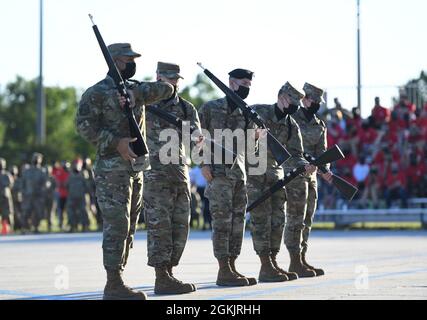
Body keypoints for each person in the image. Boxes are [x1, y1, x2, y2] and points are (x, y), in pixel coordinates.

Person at [76, 43, 174, 300]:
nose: (133, 63)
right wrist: (115, 142)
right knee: (117, 224)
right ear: (117, 60)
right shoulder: (96, 92)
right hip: (111, 170)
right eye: (129, 59)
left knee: (129, 226)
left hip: (135, 168)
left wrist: (135, 96)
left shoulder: (134, 89)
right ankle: (113, 282)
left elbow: (166, 89)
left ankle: (119, 276)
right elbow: (84, 126)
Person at [247, 82, 315, 282]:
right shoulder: (257, 112)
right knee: (261, 220)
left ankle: (273, 261)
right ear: (281, 97)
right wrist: (253, 136)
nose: (294, 105)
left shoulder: (290, 124)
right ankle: (265, 264)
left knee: (277, 221)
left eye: (296, 102)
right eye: (291, 100)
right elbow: (239, 137)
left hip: (276, 177)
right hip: (255, 175)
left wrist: (306, 165)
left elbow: (296, 154)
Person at [199, 68, 260, 287]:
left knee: (237, 224)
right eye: (244, 82)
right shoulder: (210, 108)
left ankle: (232, 266)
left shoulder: (248, 112)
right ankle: (223, 269)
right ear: (231, 83)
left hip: (239, 175)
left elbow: (250, 149)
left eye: (250, 84)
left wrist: (256, 138)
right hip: (218, 174)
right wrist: (202, 163)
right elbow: (197, 136)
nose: (247, 87)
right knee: (222, 222)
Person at [144, 62, 200, 295]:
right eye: (167, 78)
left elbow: (196, 140)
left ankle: (169, 270)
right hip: (154, 174)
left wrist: (197, 138)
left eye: (175, 79)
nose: (172, 82)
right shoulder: (143, 104)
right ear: (157, 78)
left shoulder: (186, 109)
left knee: (181, 226)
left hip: (179, 172)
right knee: (160, 225)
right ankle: (161, 276)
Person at [288, 83, 333, 277]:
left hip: (312, 178)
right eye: (313, 100)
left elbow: (322, 152)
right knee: (295, 219)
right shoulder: (291, 118)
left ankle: (302, 258)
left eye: (318, 102)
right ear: (305, 99)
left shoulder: (319, 124)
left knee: (307, 219)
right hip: (294, 175)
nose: (316, 104)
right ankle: (294, 260)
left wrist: (325, 169)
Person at [21, 153, 47, 233]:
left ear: (41, 160)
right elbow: (23, 183)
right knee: (26, 212)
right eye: (35, 158)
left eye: (38, 158)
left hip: (38, 195)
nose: (36, 160)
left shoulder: (42, 171)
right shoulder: (27, 171)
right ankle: (25, 228)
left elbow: (45, 183)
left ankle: (36, 228)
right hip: (28, 195)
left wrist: (43, 191)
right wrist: (23, 192)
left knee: (38, 212)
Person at [66, 160, 90, 233]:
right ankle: (72, 226)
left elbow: (87, 185)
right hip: (72, 196)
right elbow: (67, 184)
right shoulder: (70, 174)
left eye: (78, 164)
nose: (76, 166)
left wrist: (86, 193)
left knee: (84, 211)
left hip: (82, 196)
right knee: (70, 212)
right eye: (75, 164)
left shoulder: (83, 173)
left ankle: (85, 226)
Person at [0, 158, 14, 234]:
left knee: (8, 213)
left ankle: (9, 228)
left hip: (5, 197)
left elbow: (10, 184)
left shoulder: (7, 175)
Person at [44, 165, 57, 232]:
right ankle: (44, 225)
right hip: (44, 197)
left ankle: (50, 225)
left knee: (51, 211)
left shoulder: (53, 178)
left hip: (51, 197)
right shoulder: (43, 178)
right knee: (45, 211)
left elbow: (55, 187)